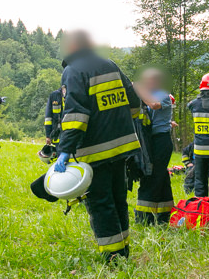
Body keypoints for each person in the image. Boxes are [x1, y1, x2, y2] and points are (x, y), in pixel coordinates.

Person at [53, 30, 141, 261]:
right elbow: (134, 104)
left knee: (102, 203)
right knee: (118, 199)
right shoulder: (110, 64)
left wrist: (64, 150)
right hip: (123, 146)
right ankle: (124, 249)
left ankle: (113, 258)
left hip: (96, 151)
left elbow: (76, 115)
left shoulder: (72, 71)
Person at [133, 68, 175, 225]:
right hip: (151, 141)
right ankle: (164, 217)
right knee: (161, 178)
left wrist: (138, 89)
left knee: (151, 178)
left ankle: (143, 219)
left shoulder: (163, 96)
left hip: (161, 141)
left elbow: (154, 105)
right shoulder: (148, 95)